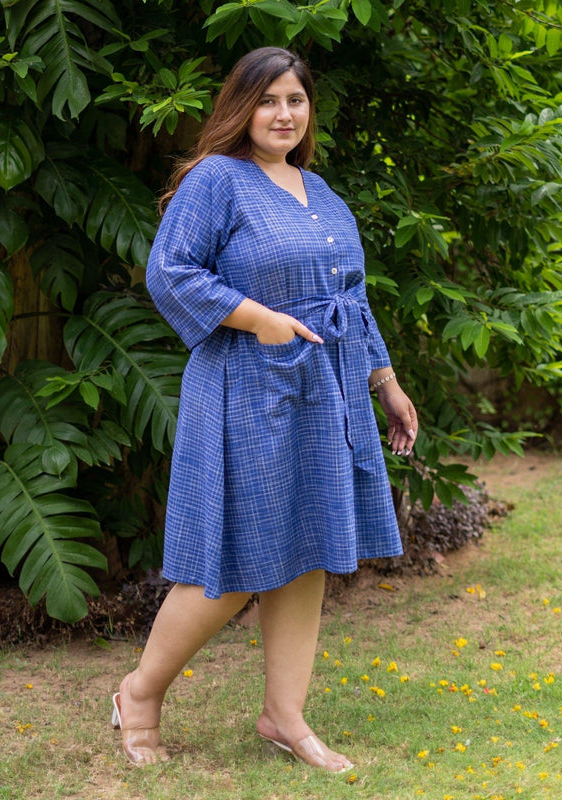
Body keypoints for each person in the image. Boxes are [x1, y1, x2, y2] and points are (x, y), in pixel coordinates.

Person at [111, 46, 418, 772]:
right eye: (269, 99)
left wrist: (387, 382)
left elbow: (354, 299)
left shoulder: (324, 194)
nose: (284, 114)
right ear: (242, 108)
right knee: (244, 555)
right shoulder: (219, 181)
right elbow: (170, 270)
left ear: (310, 111)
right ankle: (141, 691)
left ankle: (284, 716)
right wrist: (260, 319)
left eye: (296, 100)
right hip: (250, 384)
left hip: (328, 391)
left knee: (307, 544)